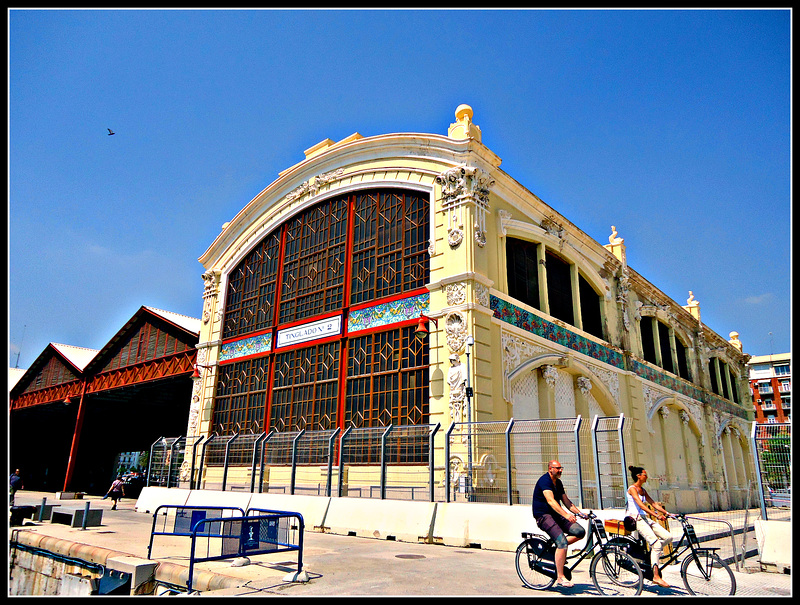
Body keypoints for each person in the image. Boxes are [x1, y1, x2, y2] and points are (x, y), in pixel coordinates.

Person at [532, 460, 587, 588]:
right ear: (550, 468)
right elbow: (551, 501)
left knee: (580, 532)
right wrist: (566, 515)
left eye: (561, 468)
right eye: (557, 468)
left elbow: (566, 501)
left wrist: (579, 513)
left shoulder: (559, 483)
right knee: (562, 542)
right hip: (543, 516)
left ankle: (558, 550)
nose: (560, 470)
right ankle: (560, 577)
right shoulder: (544, 481)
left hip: (556, 515)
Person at [626, 465, 673, 588]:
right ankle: (656, 577)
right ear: (639, 476)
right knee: (656, 544)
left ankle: (653, 553)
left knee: (668, 537)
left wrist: (667, 513)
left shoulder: (643, 490)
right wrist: (656, 516)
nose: (646, 477)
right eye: (645, 474)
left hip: (645, 519)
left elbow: (653, 503)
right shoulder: (632, 489)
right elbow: (641, 505)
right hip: (637, 519)